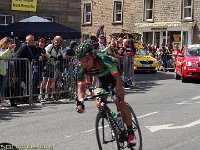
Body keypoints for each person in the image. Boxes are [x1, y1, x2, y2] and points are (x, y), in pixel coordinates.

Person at [75, 41, 137, 146]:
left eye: (86, 60)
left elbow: (118, 79)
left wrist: (117, 94)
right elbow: (81, 87)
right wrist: (80, 102)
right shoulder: (81, 67)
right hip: (101, 80)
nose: (84, 63)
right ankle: (113, 119)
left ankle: (131, 133)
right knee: (99, 103)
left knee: (119, 102)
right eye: (81, 60)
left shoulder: (104, 59)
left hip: (114, 78)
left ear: (93, 56)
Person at [43, 35, 65, 101]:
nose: (59, 42)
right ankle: (41, 95)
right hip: (47, 64)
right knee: (45, 80)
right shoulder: (50, 46)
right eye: (58, 40)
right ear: (54, 40)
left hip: (53, 65)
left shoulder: (60, 48)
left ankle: (47, 95)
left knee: (50, 81)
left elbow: (62, 54)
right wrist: (51, 57)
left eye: (60, 41)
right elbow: (45, 52)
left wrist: (60, 57)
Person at [0, 37, 16, 106]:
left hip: (4, 69)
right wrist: (9, 50)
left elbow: (9, 57)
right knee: (1, 86)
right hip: (1, 70)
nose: (8, 45)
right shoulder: (1, 49)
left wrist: (9, 50)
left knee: (3, 86)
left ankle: (2, 99)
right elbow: (2, 56)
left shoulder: (5, 49)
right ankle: (1, 100)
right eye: (7, 44)